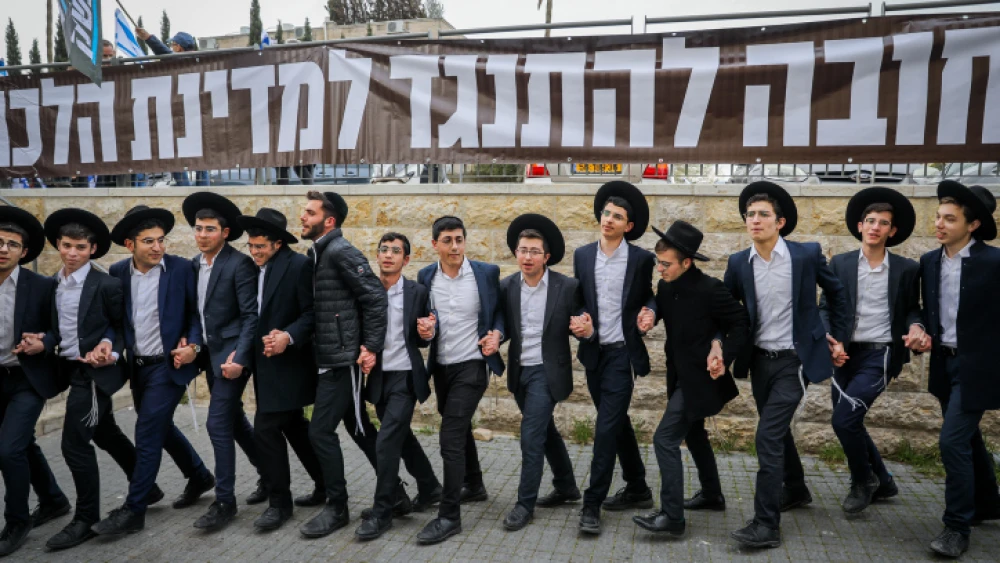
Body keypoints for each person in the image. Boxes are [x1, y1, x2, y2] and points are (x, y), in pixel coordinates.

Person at [723, 181, 850, 549]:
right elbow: (729, 312)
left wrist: (833, 334)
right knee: (776, 432)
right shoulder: (738, 263)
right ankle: (795, 488)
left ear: (780, 222)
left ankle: (766, 525)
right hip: (760, 361)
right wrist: (719, 344)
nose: (755, 220)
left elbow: (836, 292)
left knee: (766, 436)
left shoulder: (805, 255)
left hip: (795, 360)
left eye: (763, 214)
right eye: (750, 215)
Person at [40, 209, 164, 551]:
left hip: (95, 374)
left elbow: (122, 327)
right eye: (67, 246)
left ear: (93, 249)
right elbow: (56, 330)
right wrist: (43, 341)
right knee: (106, 432)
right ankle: (147, 486)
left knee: (73, 444)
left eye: (81, 247)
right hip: (68, 370)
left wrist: (108, 347)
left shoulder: (107, 284)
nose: (73, 253)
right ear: (58, 246)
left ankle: (83, 519)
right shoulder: (53, 284)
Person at [92, 206, 214, 536]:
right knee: (160, 427)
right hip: (138, 367)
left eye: (161, 240)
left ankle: (134, 509)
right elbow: (113, 322)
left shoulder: (179, 269)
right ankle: (200, 475)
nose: (158, 247)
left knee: (146, 432)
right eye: (149, 241)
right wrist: (107, 343)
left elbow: (195, 314)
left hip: (170, 365)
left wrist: (194, 347)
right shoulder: (117, 273)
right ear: (130, 244)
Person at [632, 221, 749, 537]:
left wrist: (721, 350)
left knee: (664, 439)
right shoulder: (666, 286)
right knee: (695, 433)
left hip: (703, 379)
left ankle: (672, 517)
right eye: (659, 262)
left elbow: (739, 323)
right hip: (678, 376)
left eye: (666, 264)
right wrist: (651, 315)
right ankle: (712, 494)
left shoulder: (711, 289)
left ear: (687, 262)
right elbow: (664, 307)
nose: (660, 269)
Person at [818, 187, 922, 514]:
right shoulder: (841, 264)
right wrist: (828, 339)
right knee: (850, 421)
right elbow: (826, 307)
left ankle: (863, 481)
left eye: (884, 223)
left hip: (880, 355)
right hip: (844, 354)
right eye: (871, 221)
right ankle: (884, 480)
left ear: (893, 231)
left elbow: (912, 310)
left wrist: (917, 326)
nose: (876, 227)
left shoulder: (906, 269)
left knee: (844, 420)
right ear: (860, 226)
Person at [911, 181, 1000, 558]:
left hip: (979, 366)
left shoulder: (994, 263)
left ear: (973, 225)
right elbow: (921, 307)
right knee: (966, 438)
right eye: (938, 217)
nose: (940, 224)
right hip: (944, 364)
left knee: (951, 441)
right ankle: (988, 503)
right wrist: (917, 328)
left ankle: (956, 526)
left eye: (950, 219)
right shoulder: (930, 262)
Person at [297, 191, 388, 538]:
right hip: (330, 357)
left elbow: (375, 297)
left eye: (309, 212)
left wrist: (370, 347)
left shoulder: (340, 251)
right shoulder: (319, 252)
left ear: (329, 221)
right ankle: (396, 494)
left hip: (343, 361)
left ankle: (337, 507)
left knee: (320, 431)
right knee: (359, 428)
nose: (303, 217)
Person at [572, 181, 657, 535]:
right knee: (616, 421)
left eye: (617, 217)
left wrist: (650, 312)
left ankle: (592, 504)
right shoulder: (582, 255)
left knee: (605, 429)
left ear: (629, 226)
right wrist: (580, 322)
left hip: (623, 355)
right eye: (606, 213)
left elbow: (651, 297)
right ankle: (638, 487)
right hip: (595, 353)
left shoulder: (641, 260)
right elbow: (578, 299)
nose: (608, 220)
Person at [415, 215, 505, 544]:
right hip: (441, 367)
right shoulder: (425, 277)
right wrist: (423, 332)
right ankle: (475, 484)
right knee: (459, 422)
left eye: (459, 239)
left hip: (472, 366)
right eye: (448, 240)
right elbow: (423, 325)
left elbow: (499, 312)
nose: (455, 246)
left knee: (449, 436)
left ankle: (450, 516)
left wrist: (497, 333)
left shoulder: (486, 273)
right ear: (435, 244)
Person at [238, 208, 326, 531]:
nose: (255, 252)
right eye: (251, 246)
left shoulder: (300, 265)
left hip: (289, 364)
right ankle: (326, 483)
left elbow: (310, 314)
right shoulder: (250, 266)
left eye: (260, 246)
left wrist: (287, 336)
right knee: (294, 427)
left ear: (277, 244)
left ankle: (279, 504)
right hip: (262, 365)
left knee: (265, 429)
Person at [181, 192, 262, 531]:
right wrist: (191, 342)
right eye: (198, 228)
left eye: (210, 229)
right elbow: (195, 314)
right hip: (208, 356)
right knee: (235, 421)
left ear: (225, 233)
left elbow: (251, 316)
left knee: (217, 424)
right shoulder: (193, 265)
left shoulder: (239, 264)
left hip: (232, 356)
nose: (202, 235)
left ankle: (225, 501)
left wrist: (241, 358)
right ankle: (272, 475)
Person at [355, 232, 444, 540]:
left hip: (405, 377)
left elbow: (423, 335)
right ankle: (431, 487)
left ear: (406, 260)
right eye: (384, 250)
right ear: (377, 256)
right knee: (401, 436)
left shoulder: (417, 292)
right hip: (378, 376)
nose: (388, 255)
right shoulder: (366, 290)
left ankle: (383, 511)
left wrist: (428, 331)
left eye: (396, 251)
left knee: (386, 441)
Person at [498, 214, 583, 532]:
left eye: (534, 251)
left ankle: (524, 504)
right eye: (522, 250)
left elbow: (582, 318)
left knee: (531, 436)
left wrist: (584, 326)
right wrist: (495, 335)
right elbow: (503, 325)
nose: (527, 256)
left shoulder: (567, 286)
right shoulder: (506, 286)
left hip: (549, 372)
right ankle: (566, 486)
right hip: (520, 372)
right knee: (545, 430)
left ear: (546, 256)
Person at [0, 207, 70, 557]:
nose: (4, 249)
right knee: (22, 445)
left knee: (8, 450)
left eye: (12, 244)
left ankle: (17, 520)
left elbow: (59, 329)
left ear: (23, 253)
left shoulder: (41, 285)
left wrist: (44, 341)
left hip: (27, 378)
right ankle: (54, 500)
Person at [133, 28, 209, 187]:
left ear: (179, 47)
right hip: (196, 115)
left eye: (174, 45)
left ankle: (185, 189)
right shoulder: (202, 60)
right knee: (201, 157)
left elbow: (165, 54)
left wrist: (148, 37)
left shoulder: (185, 59)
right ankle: (202, 189)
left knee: (176, 155)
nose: (172, 49)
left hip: (184, 116)